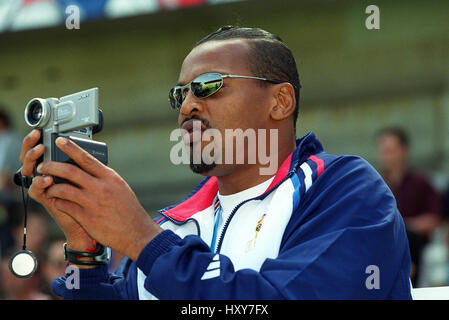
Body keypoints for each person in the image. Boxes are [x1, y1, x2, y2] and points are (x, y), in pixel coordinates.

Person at [19, 26, 412, 299]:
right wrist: (84, 249)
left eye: (209, 85)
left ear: (281, 102)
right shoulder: (172, 223)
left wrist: (141, 239)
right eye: (179, 95)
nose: (187, 105)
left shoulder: (344, 187)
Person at [377, 127, 443, 285]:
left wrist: (405, 225)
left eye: (391, 150)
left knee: (406, 235)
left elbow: (434, 219)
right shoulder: (376, 184)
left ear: (403, 150)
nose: (387, 155)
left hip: (413, 243)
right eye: (384, 151)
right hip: (384, 243)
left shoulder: (421, 182)